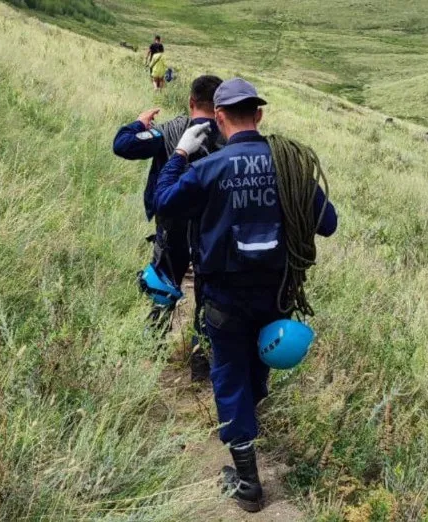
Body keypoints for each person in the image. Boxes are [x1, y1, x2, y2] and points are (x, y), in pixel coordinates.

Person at [153, 78, 337, 512]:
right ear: (259, 115)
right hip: (277, 297)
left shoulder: (208, 167)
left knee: (230, 375)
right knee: (255, 370)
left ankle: (249, 481)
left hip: (224, 298)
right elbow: (327, 224)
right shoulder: (290, 166)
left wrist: (180, 152)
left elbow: (165, 202)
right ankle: (249, 425)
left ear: (218, 118)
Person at [112, 75, 225, 381]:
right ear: (219, 108)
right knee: (209, 298)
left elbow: (122, 146)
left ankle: (151, 352)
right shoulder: (229, 138)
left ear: (191, 102)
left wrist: (139, 123)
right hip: (210, 233)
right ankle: (201, 364)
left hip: (172, 228)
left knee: (163, 288)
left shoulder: (170, 131)